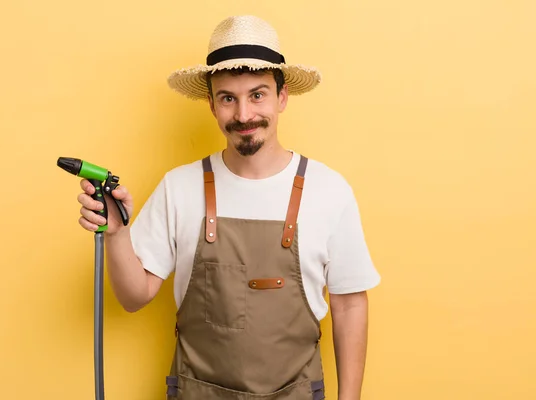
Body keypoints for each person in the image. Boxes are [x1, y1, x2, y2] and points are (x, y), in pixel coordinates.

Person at [76, 15, 380, 400]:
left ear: (281, 97)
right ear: (211, 103)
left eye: (257, 94)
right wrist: (117, 233)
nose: (243, 116)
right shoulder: (179, 187)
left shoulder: (329, 190)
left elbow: (350, 305)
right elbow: (133, 297)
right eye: (228, 98)